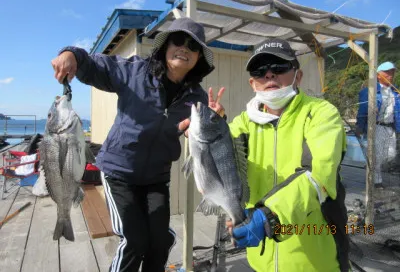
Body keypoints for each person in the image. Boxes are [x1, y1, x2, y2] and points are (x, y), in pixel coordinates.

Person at [51, 17, 224, 272]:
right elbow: (97, 67)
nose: (184, 48)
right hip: (120, 173)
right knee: (134, 241)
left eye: (193, 46)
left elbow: (205, 136)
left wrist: (217, 120)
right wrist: (71, 54)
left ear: (199, 58)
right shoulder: (134, 71)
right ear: (165, 46)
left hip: (157, 177)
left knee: (161, 241)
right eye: (178, 40)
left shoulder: (197, 96)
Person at [223, 39, 349, 271]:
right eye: (260, 71)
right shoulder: (243, 122)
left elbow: (319, 176)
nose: (269, 75)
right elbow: (221, 157)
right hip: (262, 259)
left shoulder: (321, 114)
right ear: (253, 83)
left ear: (298, 76)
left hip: (316, 258)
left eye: (279, 67)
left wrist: (268, 216)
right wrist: (211, 126)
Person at [356, 61, 399, 188]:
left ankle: (372, 168)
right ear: (378, 75)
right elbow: (363, 109)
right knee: (378, 155)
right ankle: (376, 181)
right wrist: (360, 125)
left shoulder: (395, 91)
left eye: (392, 72)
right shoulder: (370, 90)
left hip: (390, 127)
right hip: (378, 126)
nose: (390, 75)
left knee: (391, 154)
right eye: (387, 72)